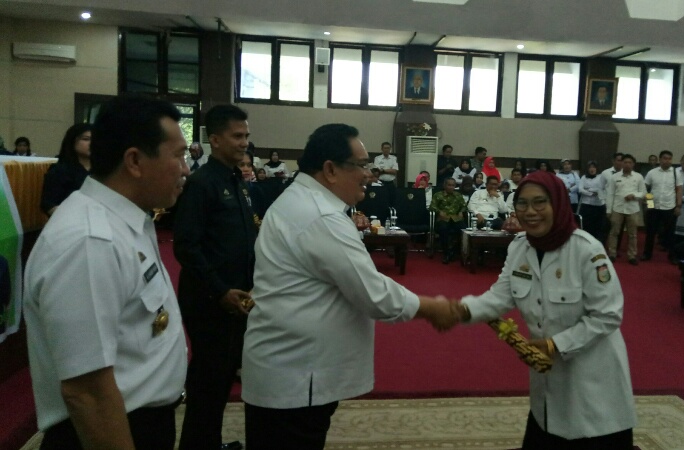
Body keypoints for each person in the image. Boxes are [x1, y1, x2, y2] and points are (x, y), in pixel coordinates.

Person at [241, 123, 458, 448]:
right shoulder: (321, 217)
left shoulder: (301, 200)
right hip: (297, 376)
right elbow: (374, 294)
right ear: (330, 170)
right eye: (360, 165)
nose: (368, 174)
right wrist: (432, 307)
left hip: (288, 368)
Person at [24, 95, 189, 449]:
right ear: (135, 161)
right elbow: (87, 392)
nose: (186, 169)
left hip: (139, 422)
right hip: (108, 430)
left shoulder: (125, 221)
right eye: (178, 156)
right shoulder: (89, 241)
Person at [456, 171, 636, 449]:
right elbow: (499, 298)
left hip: (594, 385)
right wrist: (457, 310)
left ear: (559, 203)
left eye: (540, 202)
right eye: (522, 203)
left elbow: (607, 315)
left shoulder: (587, 250)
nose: (530, 212)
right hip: (547, 388)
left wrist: (555, 344)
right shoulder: (519, 248)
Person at [173, 104, 258, 450]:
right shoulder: (202, 183)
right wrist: (221, 291)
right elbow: (186, 246)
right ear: (216, 139)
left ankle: (208, 443)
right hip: (210, 301)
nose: (244, 143)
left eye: (246, 136)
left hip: (235, 299)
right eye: (237, 136)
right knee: (208, 383)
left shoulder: (237, 180)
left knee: (221, 381)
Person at [40, 123, 92, 216]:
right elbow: (49, 204)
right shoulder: (60, 170)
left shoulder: (104, 171)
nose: (92, 143)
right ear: (72, 141)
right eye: (86, 139)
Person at [606, 154, 646, 265]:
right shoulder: (614, 177)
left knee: (633, 234)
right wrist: (608, 210)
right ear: (621, 163)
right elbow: (610, 194)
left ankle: (632, 255)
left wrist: (634, 195)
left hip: (633, 209)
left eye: (630, 162)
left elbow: (643, 193)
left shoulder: (638, 177)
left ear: (633, 164)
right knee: (614, 232)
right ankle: (612, 254)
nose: (627, 164)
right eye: (625, 162)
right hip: (617, 208)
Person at [642, 150, 682, 261]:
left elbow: (679, 189)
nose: (667, 161)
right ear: (660, 159)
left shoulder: (676, 173)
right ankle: (647, 254)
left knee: (670, 233)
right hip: (653, 206)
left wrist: (678, 205)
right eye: (665, 158)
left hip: (669, 207)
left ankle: (672, 256)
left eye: (669, 159)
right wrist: (649, 203)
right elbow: (646, 188)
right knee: (650, 232)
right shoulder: (652, 172)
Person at [430, 177, 467, 264]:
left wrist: (461, 211)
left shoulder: (458, 195)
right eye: (449, 185)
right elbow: (432, 206)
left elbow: (464, 206)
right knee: (443, 229)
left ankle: (454, 251)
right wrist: (439, 211)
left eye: (453, 185)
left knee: (464, 230)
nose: (451, 187)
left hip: (456, 218)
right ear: (444, 185)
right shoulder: (438, 195)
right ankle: (446, 253)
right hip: (443, 218)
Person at [578, 161, 606, 242]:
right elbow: (580, 189)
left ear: (597, 168)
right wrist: (590, 193)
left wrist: (589, 189)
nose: (592, 169)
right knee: (586, 225)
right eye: (590, 167)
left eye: (593, 167)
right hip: (586, 204)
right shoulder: (584, 177)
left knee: (598, 225)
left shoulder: (601, 177)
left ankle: (598, 242)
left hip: (598, 205)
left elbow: (603, 189)